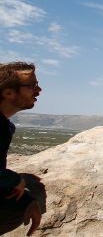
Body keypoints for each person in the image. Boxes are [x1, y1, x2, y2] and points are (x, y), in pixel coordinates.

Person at [1, 62, 44, 235]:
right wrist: (15, 181)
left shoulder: (5, 126)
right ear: (8, 92)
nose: (39, 90)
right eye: (32, 86)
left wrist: (26, 200)